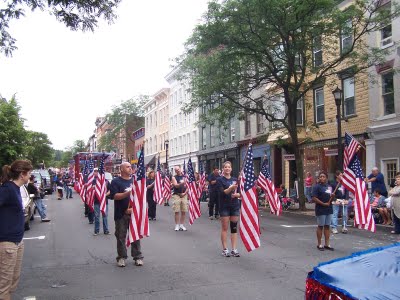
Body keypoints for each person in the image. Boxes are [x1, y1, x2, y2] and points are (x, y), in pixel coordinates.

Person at [0, 160, 33, 300]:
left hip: (17, 241)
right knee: (4, 285)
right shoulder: (7, 189)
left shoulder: (15, 188)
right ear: (22, 174)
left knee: (13, 281)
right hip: (7, 243)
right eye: (29, 174)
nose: (30, 177)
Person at [110, 162, 143, 267]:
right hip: (121, 213)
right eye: (127, 167)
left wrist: (134, 208)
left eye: (130, 167)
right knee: (121, 236)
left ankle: (137, 257)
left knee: (135, 236)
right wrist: (128, 193)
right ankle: (121, 257)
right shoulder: (115, 182)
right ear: (122, 169)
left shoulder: (135, 181)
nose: (130, 168)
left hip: (134, 213)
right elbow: (114, 196)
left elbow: (140, 197)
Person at [217, 161, 241, 257]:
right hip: (224, 206)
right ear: (223, 169)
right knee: (225, 228)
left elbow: (240, 193)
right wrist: (231, 188)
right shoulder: (220, 180)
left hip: (234, 206)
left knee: (234, 228)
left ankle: (234, 249)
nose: (227, 168)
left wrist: (237, 194)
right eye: (225, 167)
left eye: (229, 167)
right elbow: (223, 193)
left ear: (231, 169)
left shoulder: (235, 179)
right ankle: (225, 249)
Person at [312, 171, 334, 251]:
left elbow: (331, 197)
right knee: (320, 226)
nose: (322, 178)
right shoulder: (317, 187)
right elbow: (314, 197)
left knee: (327, 226)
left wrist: (332, 197)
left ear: (326, 178)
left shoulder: (329, 187)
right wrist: (323, 203)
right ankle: (319, 244)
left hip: (329, 208)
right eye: (320, 176)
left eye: (323, 176)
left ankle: (327, 244)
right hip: (321, 208)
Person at [92, 168, 110, 235]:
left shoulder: (107, 181)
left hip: (105, 201)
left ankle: (106, 230)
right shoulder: (94, 181)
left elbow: (110, 191)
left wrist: (104, 195)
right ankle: (96, 230)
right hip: (97, 201)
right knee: (97, 216)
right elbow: (92, 188)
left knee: (105, 216)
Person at [171, 166, 188, 231]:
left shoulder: (185, 177)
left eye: (178, 169)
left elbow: (188, 186)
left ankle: (182, 225)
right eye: (176, 170)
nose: (177, 170)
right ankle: (177, 225)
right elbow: (176, 185)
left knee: (183, 211)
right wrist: (183, 182)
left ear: (180, 169)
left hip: (184, 195)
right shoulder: (174, 177)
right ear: (175, 171)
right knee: (177, 210)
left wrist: (185, 193)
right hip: (177, 195)